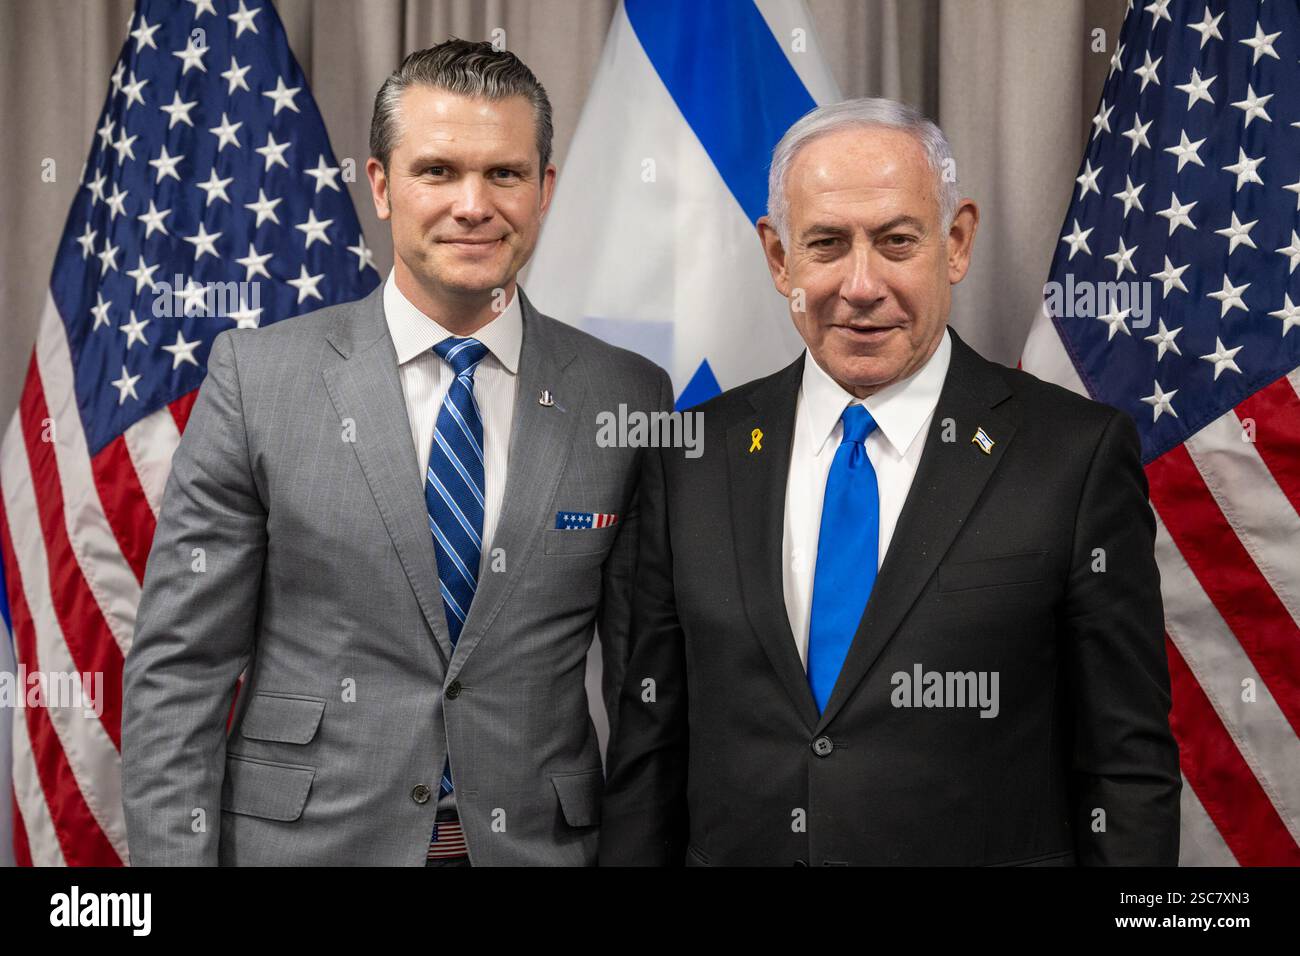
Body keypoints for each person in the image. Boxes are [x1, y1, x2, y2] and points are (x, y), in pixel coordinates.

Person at [122, 39, 670, 866]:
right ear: (381, 185)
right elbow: (179, 674)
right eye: (438, 171)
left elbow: (644, 691)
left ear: (545, 189)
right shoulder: (258, 380)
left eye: (505, 175)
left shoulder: (627, 396)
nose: (473, 205)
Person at [600, 97, 1180, 866]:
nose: (862, 284)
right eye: (827, 244)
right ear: (780, 259)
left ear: (957, 242)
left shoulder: (1075, 456)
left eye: (897, 241)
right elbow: (648, 757)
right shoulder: (691, 458)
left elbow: (1126, 767)